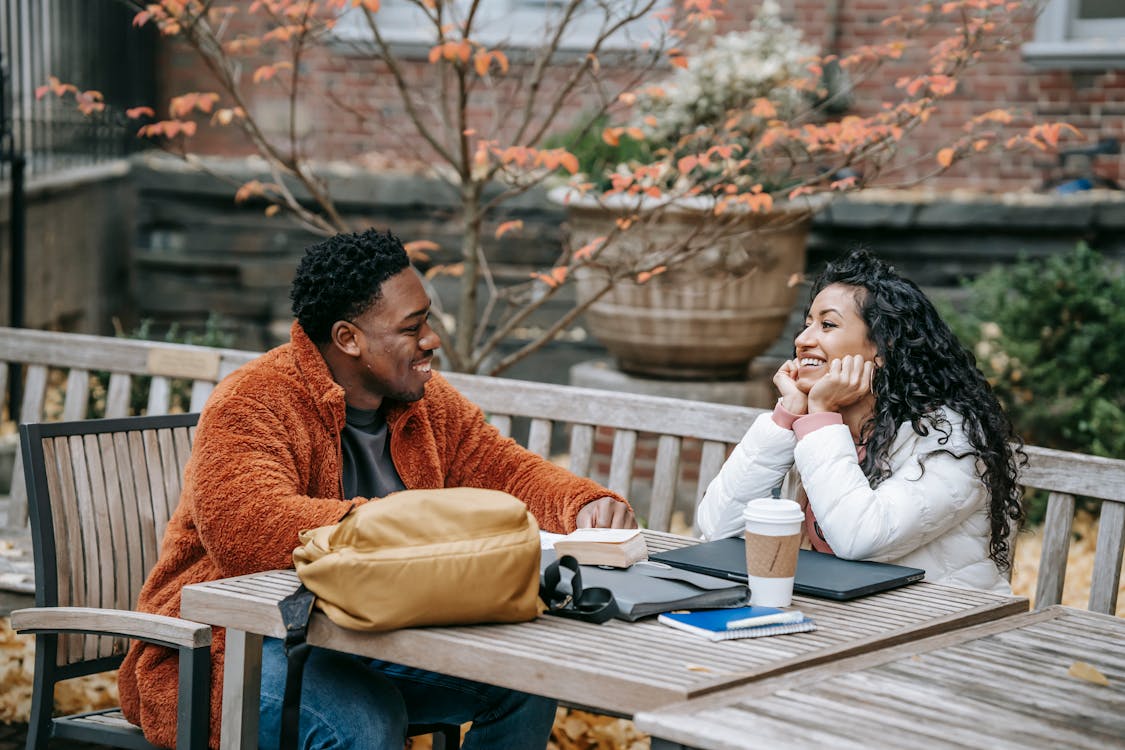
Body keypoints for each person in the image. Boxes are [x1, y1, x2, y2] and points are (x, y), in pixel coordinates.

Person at [119, 228, 636, 750]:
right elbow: (247, 527)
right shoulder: (253, 401)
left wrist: (582, 501)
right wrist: (403, 525)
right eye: (412, 328)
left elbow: (503, 467)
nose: (431, 339)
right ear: (349, 339)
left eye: (427, 319)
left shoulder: (422, 402)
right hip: (228, 648)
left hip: (364, 637)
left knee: (524, 684)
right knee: (365, 720)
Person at [696, 249, 1023, 593]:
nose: (803, 340)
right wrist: (786, 414)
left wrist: (820, 415)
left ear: (882, 348)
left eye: (828, 325)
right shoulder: (814, 426)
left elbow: (860, 538)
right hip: (846, 617)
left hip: (942, 625)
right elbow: (717, 529)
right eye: (807, 324)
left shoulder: (950, 438)